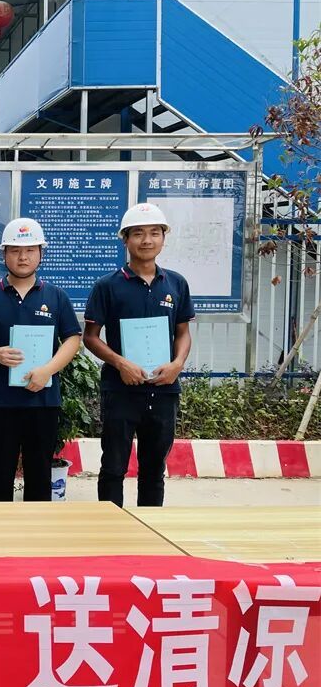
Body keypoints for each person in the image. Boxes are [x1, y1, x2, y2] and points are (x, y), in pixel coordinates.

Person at [83, 203, 195, 507]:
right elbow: (90, 337)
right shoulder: (107, 286)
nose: (147, 240)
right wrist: (120, 363)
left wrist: (177, 364)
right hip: (121, 389)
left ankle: (149, 528)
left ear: (163, 238)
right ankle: (111, 528)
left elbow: (183, 332)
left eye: (154, 233)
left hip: (163, 389)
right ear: (126, 239)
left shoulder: (176, 284)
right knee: (113, 468)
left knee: (154, 471)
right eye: (138, 233)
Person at [0, 218, 82, 502]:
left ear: (41, 253)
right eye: (15, 250)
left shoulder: (56, 297)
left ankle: (37, 529)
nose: (23, 257)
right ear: (4, 254)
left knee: (39, 474)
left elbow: (72, 339)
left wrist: (48, 370)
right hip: (0, 402)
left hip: (42, 401)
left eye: (30, 250)